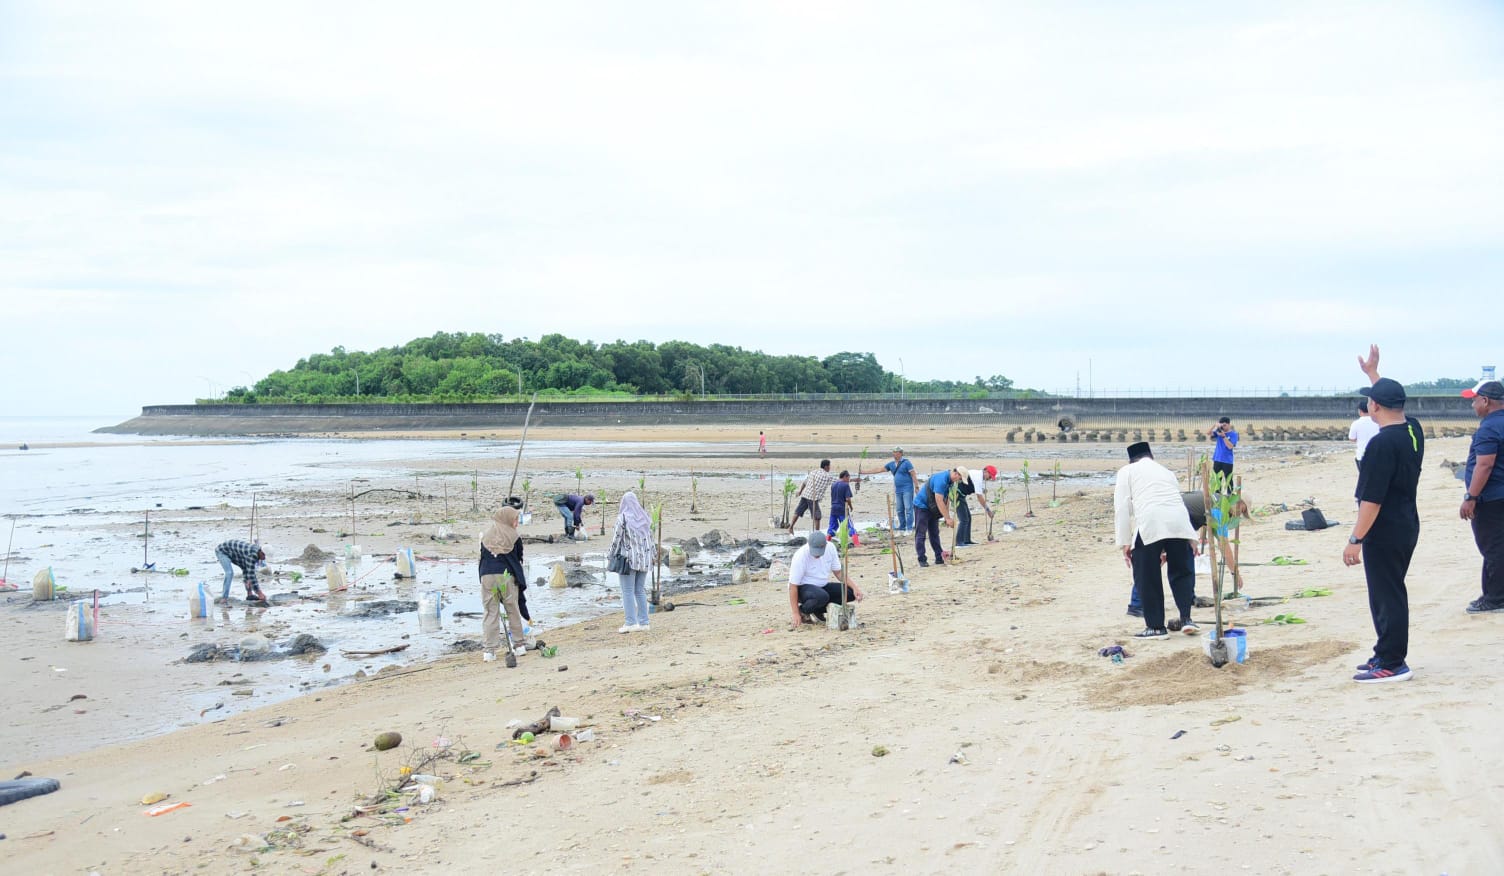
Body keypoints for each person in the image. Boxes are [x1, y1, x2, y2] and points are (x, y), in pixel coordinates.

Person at [1344, 345, 1423, 683]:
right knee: (1389, 590)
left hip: (1384, 528)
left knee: (1387, 593)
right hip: (1406, 523)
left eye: (1372, 401)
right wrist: (1374, 375)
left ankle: (1393, 662)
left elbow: (1371, 501)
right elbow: (1391, 402)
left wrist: (1355, 539)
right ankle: (1384, 651)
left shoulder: (1381, 444)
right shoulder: (1412, 430)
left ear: (1374, 406)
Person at [1113, 443, 1199, 638]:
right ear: (1151, 456)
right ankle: (1186, 618)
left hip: (1151, 522)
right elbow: (1177, 500)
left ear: (1131, 459)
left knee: (1147, 575)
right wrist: (1191, 536)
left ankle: (1155, 627)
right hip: (1179, 521)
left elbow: (1122, 508)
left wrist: (1125, 542)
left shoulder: (1127, 471)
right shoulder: (1166, 472)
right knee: (1181, 571)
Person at [1458, 379, 1504, 614]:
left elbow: (1484, 465)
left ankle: (1495, 598)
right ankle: (1491, 594)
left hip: (1492, 498)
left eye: (1474, 400)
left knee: (1493, 547)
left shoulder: (1489, 427)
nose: (1473, 405)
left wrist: (1471, 496)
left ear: (1485, 401)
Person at [478, 506, 528, 663]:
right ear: (507, 519)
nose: (517, 523)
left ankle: (489, 652)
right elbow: (519, 557)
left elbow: (482, 556)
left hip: (487, 576)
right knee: (512, 609)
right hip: (506, 576)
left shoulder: (486, 535)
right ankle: (519, 646)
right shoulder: (514, 536)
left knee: (490, 612)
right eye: (515, 519)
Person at [786, 531, 863, 629]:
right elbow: (793, 586)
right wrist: (795, 613)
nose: (817, 555)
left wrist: (855, 588)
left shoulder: (830, 548)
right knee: (822, 596)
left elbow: (838, 572)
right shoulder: (800, 556)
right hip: (803, 588)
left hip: (822, 586)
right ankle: (803, 611)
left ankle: (818, 611)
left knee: (849, 593)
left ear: (825, 545)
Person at [608, 491, 657, 632]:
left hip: (628, 560)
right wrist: (653, 556)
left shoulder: (622, 518)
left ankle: (630, 623)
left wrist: (611, 555)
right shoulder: (645, 518)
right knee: (640, 591)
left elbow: (616, 539)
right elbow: (651, 540)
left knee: (627, 591)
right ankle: (644, 622)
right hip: (645, 561)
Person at [913, 467, 967, 567]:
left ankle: (939, 557)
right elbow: (939, 500)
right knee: (921, 533)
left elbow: (946, 500)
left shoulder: (950, 482)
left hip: (933, 508)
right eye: (959, 479)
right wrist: (947, 518)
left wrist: (947, 517)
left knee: (934, 533)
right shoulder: (941, 480)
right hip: (922, 506)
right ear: (956, 474)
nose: (959, 481)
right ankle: (922, 559)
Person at [864, 447, 918, 532]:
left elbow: (913, 474)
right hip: (898, 490)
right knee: (899, 509)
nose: (894, 454)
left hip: (907, 488)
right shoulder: (891, 464)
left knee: (908, 508)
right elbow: (879, 470)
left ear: (900, 453)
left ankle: (909, 528)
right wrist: (864, 472)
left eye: (896, 452)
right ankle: (902, 527)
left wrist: (916, 487)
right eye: (893, 452)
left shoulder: (907, 463)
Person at [955, 464, 998, 546]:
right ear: (986, 471)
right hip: (956, 495)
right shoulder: (978, 477)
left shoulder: (978, 474)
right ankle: (959, 542)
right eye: (990, 476)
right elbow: (979, 497)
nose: (989, 479)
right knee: (964, 519)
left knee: (968, 518)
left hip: (961, 496)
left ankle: (966, 540)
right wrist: (988, 511)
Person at [787, 460, 835, 533]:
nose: (830, 468)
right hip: (813, 498)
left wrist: (800, 491)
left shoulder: (813, 472)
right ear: (826, 466)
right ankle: (817, 533)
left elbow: (804, 482)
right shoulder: (827, 476)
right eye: (829, 466)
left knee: (798, 511)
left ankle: (791, 527)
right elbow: (838, 481)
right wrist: (852, 480)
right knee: (817, 516)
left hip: (805, 495)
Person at [214, 539, 267, 604]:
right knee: (229, 573)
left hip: (235, 553)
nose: (265, 558)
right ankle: (224, 598)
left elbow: (247, 570)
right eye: (264, 556)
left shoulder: (257, 552)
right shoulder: (252, 555)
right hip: (222, 551)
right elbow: (252, 575)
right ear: (261, 552)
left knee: (247, 571)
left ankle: (249, 595)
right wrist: (259, 593)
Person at [1348, 399, 1381, 471]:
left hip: (1361, 455)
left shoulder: (1356, 423)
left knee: (1364, 479)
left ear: (1360, 411)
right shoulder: (1378, 421)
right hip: (1378, 455)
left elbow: (1351, 438)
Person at [1207, 417, 1238, 491]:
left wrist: (1224, 436)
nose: (1223, 427)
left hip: (1227, 461)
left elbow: (1230, 447)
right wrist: (1215, 426)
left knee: (1228, 480)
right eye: (1222, 426)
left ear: (1229, 424)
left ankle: (1229, 496)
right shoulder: (1218, 432)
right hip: (1217, 459)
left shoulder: (1234, 434)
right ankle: (1217, 496)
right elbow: (1208, 433)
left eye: (1224, 425)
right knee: (1217, 480)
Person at [826, 470, 857, 543]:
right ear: (845, 477)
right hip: (842, 508)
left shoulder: (833, 485)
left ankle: (827, 541)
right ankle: (856, 543)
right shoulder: (845, 485)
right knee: (849, 526)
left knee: (832, 526)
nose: (849, 480)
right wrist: (851, 506)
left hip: (833, 508)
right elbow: (847, 498)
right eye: (848, 478)